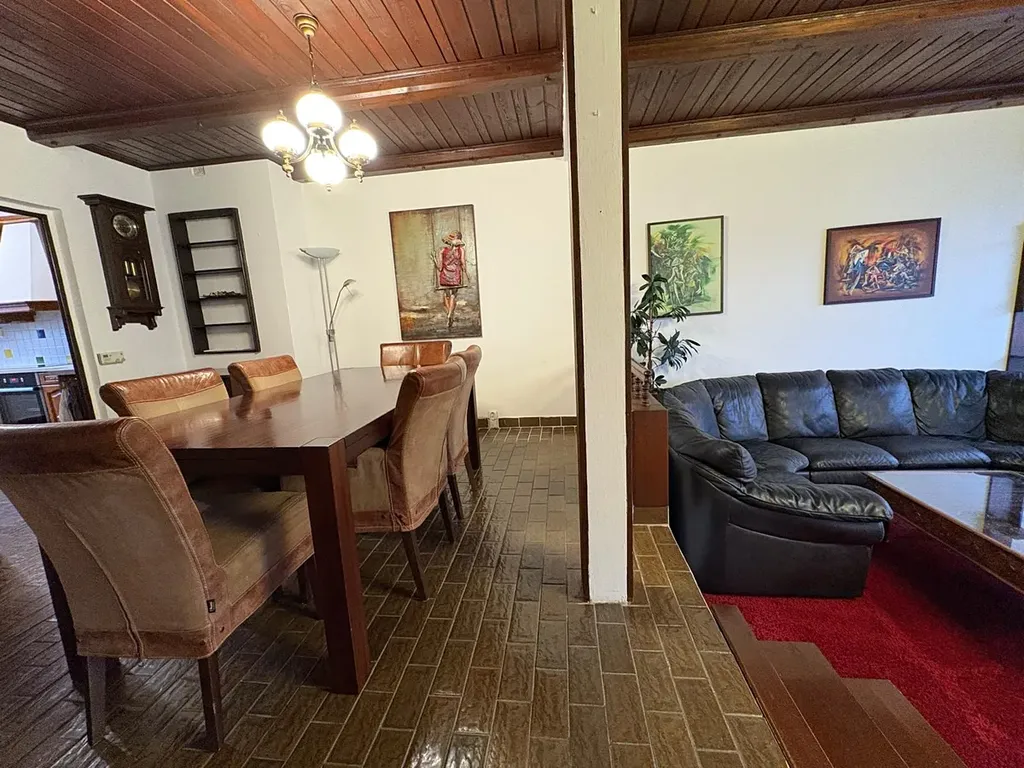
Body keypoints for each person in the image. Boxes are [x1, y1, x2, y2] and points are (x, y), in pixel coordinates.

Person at [435, 230, 467, 327]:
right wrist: (464, 271)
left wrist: (435, 262)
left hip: (445, 276)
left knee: (446, 294)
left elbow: (440, 267)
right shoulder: (461, 250)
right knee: (453, 295)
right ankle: (450, 315)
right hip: (455, 277)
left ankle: (449, 314)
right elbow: (463, 264)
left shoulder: (442, 250)